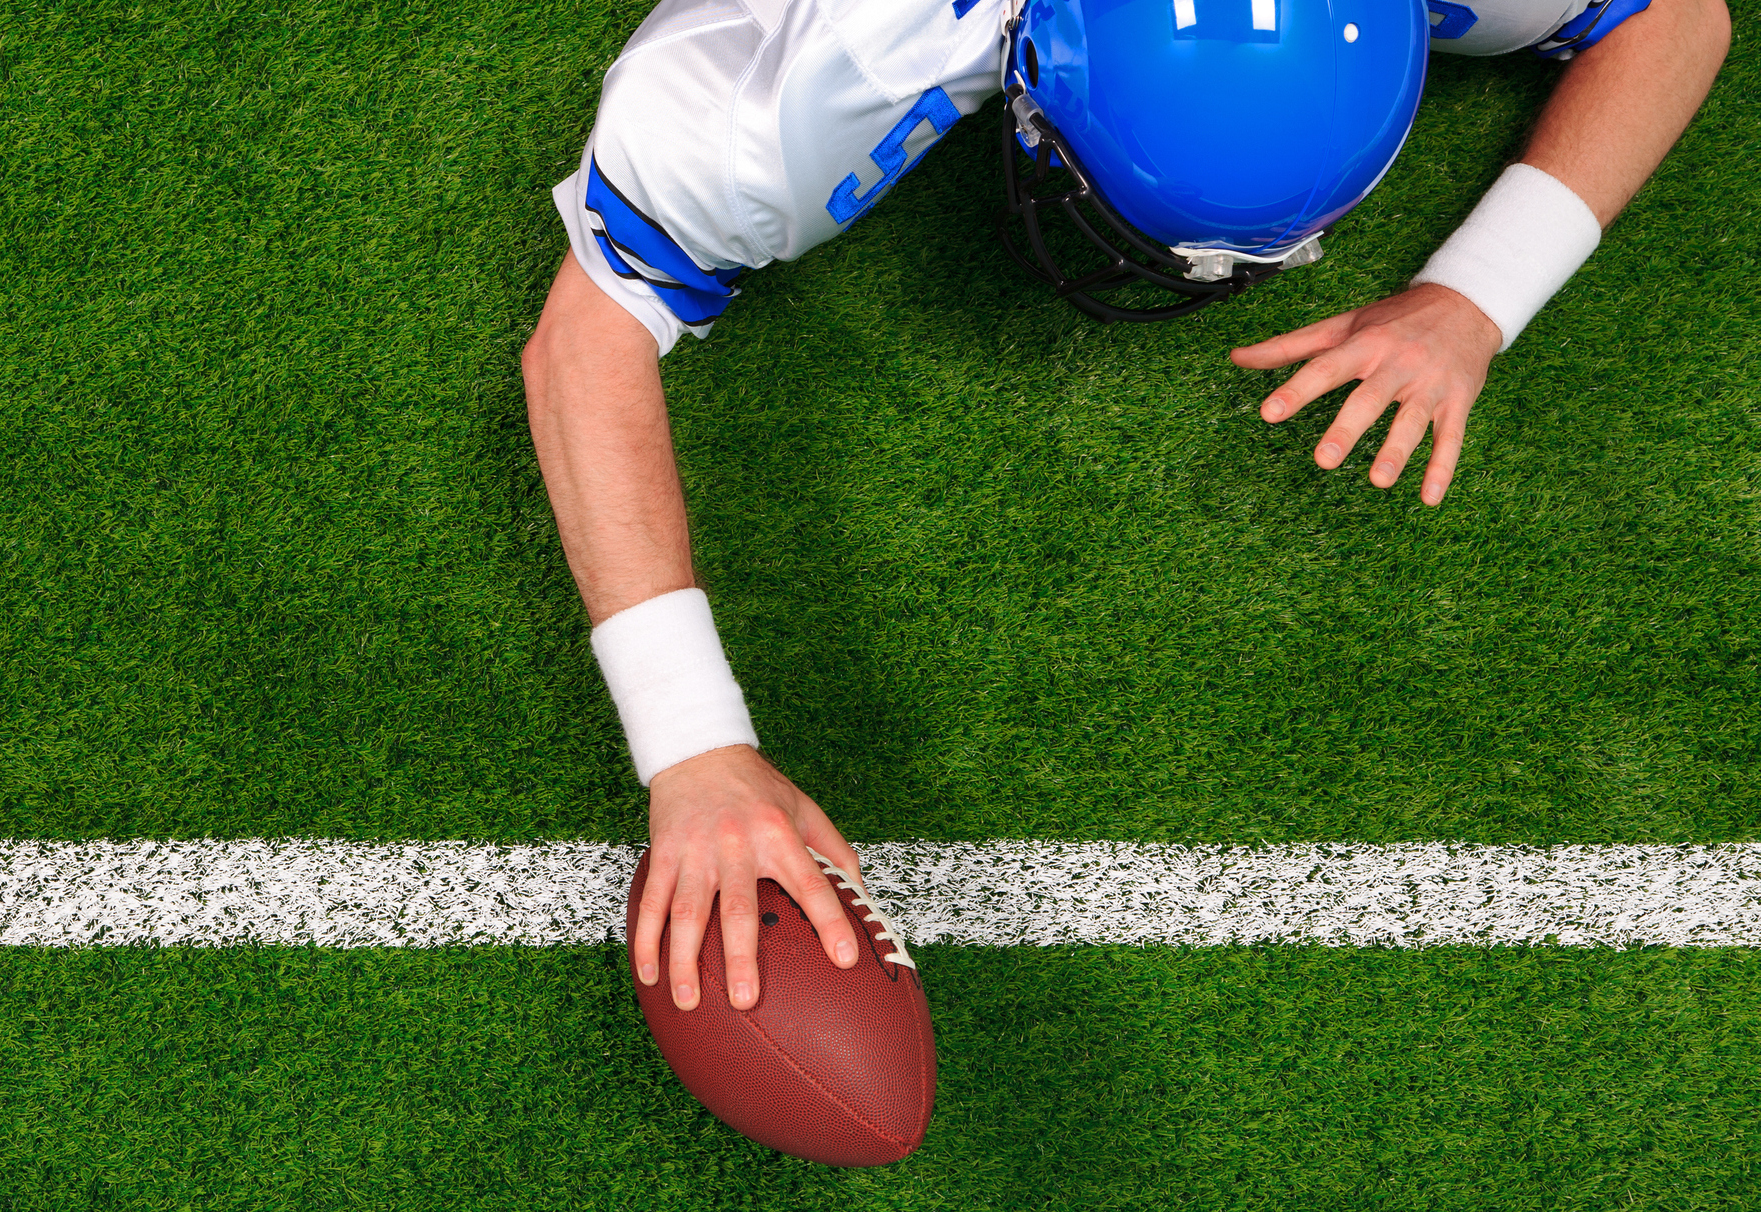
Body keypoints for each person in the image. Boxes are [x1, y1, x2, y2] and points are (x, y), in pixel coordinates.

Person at [523, 0, 1730, 1014]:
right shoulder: (813, 71)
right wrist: (691, 744)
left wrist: (1476, 293)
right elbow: (587, 339)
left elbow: (1675, 16)